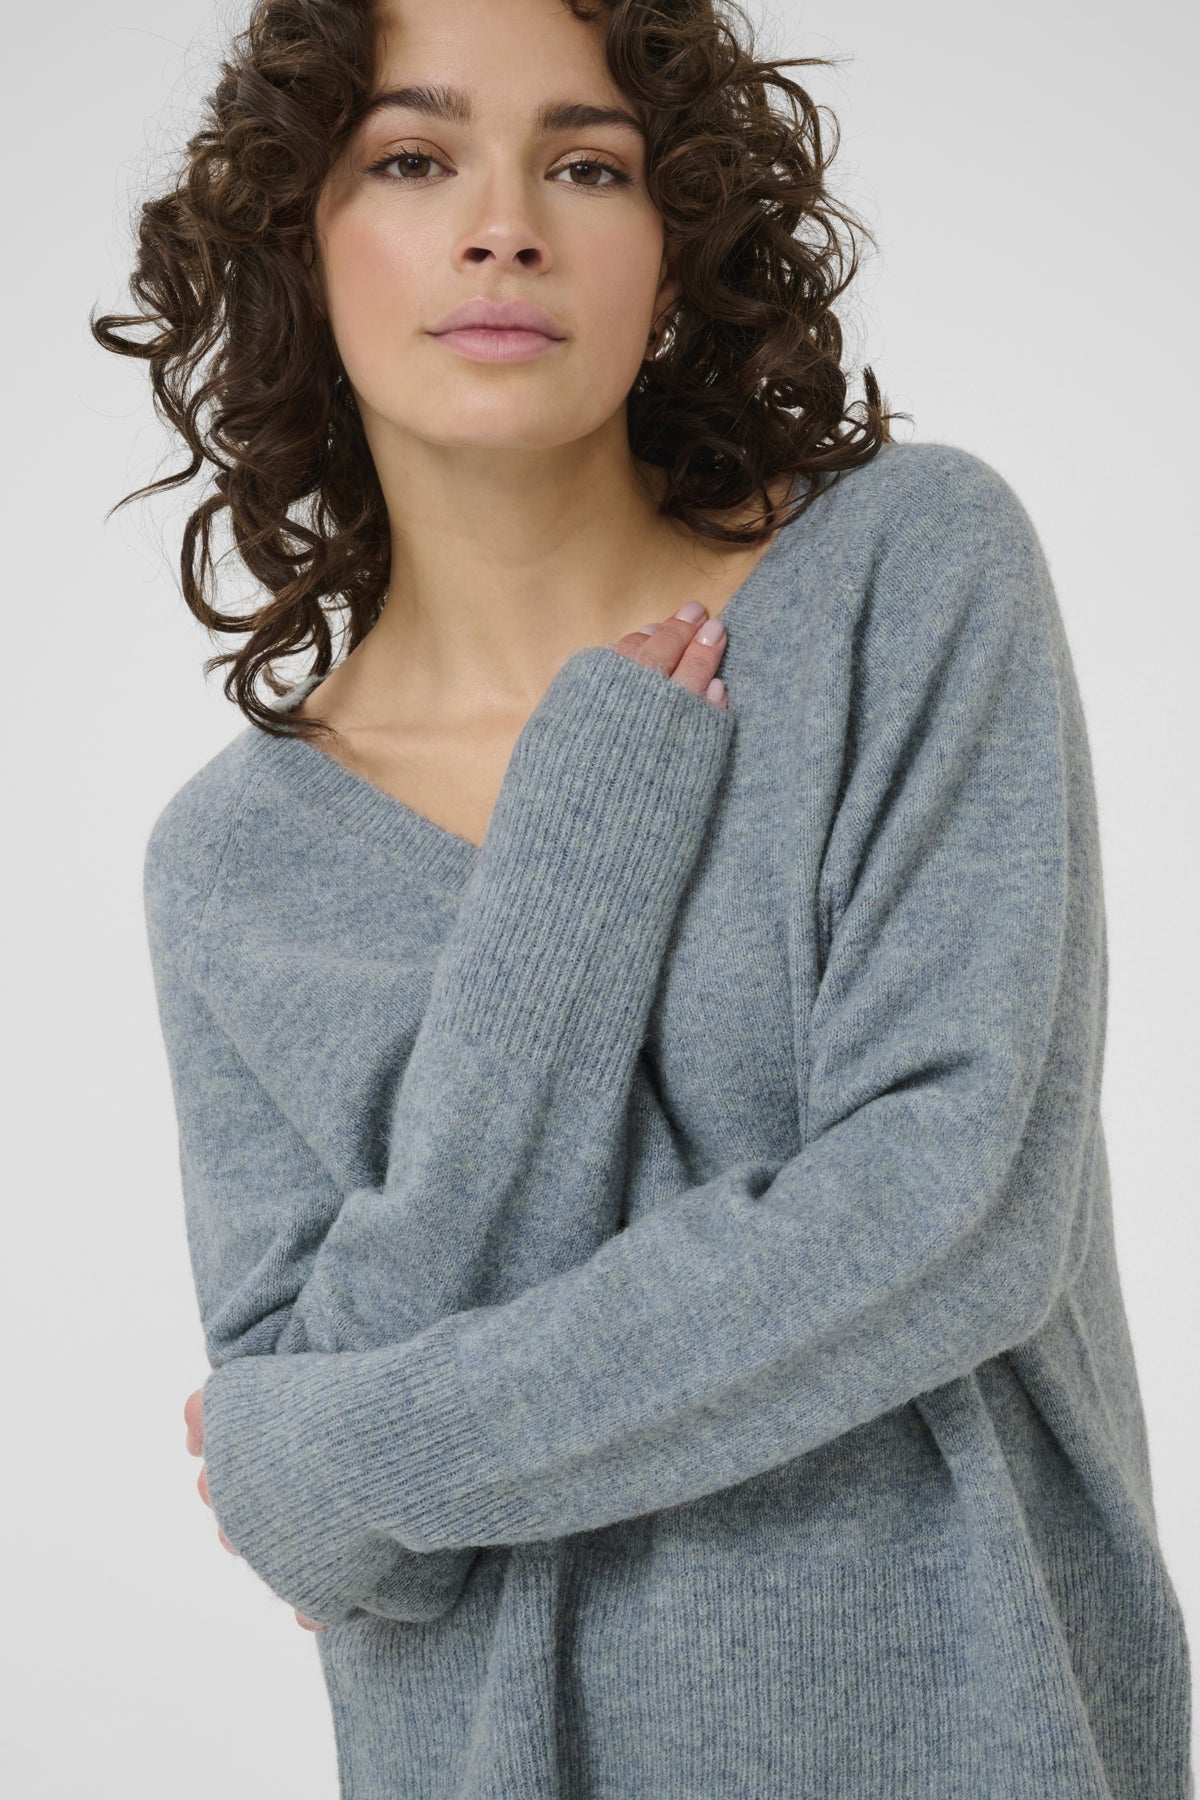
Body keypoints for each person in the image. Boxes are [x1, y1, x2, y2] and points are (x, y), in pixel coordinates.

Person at [93, 0, 1194, 1795]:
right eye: (415, 158)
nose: (504, 224)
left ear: (674, 244)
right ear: (301, 242)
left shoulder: (907, 573)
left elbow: (948, 1215)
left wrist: (366, 1459)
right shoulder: (235, 865)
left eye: (587, 165)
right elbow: (327, 1500)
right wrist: (571, 872)